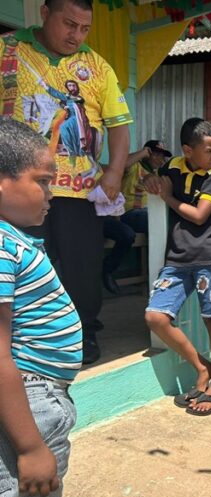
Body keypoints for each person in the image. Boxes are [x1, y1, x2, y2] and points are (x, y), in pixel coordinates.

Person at [0, 0, 133, 364]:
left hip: (79, 188)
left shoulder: (97, 66)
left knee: (80, 264)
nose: (76, 35)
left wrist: (114, 173)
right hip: (15, 188)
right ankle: (16, 340)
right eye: (69, 24)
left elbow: (119, 125)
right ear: (44, 14)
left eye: (84, 28)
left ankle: (82, 334)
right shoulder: (7, 49)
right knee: (18, 263)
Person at [0, 118, 81, 497]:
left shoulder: (14, 239)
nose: (52, 193)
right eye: (43, 181)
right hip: (30, 402)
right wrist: (31, 446)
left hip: (40, 396)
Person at [143, 118, 211, 417]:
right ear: (187, 150)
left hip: (210, 259)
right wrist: (151, 181)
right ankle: (201, 367)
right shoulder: (174, 167)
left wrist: (165, 196)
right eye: (209, 150)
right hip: (177, 259)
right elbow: (151, 178)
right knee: (156, 316)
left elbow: (198, 215)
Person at [102, 140, 171, 294]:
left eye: (163, 156)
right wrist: (142, 153)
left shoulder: (158, 174)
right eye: (158, 155)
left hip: (147, 215)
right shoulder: (134, 167)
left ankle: (163, 273)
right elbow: (120, 166)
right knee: (153, 221)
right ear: (148, 154)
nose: (161, 159)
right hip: (129, 214)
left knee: (164, 223)